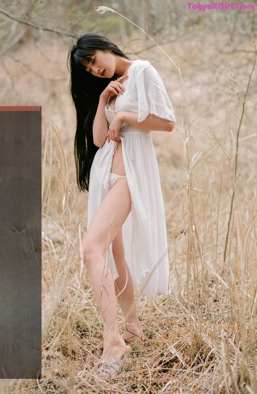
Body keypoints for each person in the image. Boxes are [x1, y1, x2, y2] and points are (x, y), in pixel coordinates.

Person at [68, 33, 175, 377]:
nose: (95, 68)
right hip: (105, 176)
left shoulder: (143, 71)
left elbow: (167, 122)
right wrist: (103, 102)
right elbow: (99, 140)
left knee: (90, 250)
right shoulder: (112, 86)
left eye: (93, 59)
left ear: (107, 47)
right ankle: (132, 328)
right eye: (88, 68)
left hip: (129, 176)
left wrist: (124, 117)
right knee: (115, 257)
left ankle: (113, 342)